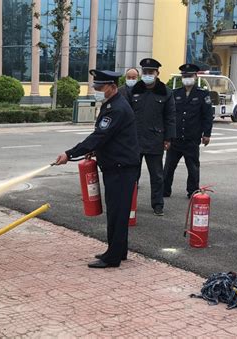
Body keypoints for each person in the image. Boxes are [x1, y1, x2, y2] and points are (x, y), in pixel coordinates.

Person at [54, 69, 140, 269]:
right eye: (96, 87)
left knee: (117, 212)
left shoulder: (116, 108)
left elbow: (99, 136)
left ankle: (113, 257)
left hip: (121, 168)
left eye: (100, 88)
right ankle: (119, 249)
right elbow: (107, 137)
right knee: (118, 211)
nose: (97, 91)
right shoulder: (112, 104)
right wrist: (95, 151)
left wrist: (69, 153)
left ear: (111, 86)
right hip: (118, 165)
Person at [127, 58, 176, 216]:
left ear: (157, 73)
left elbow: (170, 117)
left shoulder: (165, 92)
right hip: (134, 139)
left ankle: (157, 204)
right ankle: (129, 202)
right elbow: (126, 115)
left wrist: (168, 138)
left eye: (150, 72)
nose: (147, 75)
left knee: (157, 176)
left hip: (155, 139)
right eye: (145, 72)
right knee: (132, 174)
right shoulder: (134, 90)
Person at [163, 63, 213, 199]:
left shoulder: (202, 94)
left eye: (189, 76)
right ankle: (165, 190)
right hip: (175, 138)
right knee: (168, 167)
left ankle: (192, 191)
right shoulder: (175, 93)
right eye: (184, 76)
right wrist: (166, 135)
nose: (187, 78)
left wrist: (207, 134)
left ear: (195, 76)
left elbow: (208, 116)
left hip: (192, 137)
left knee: (193, 167)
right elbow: (169, 115)